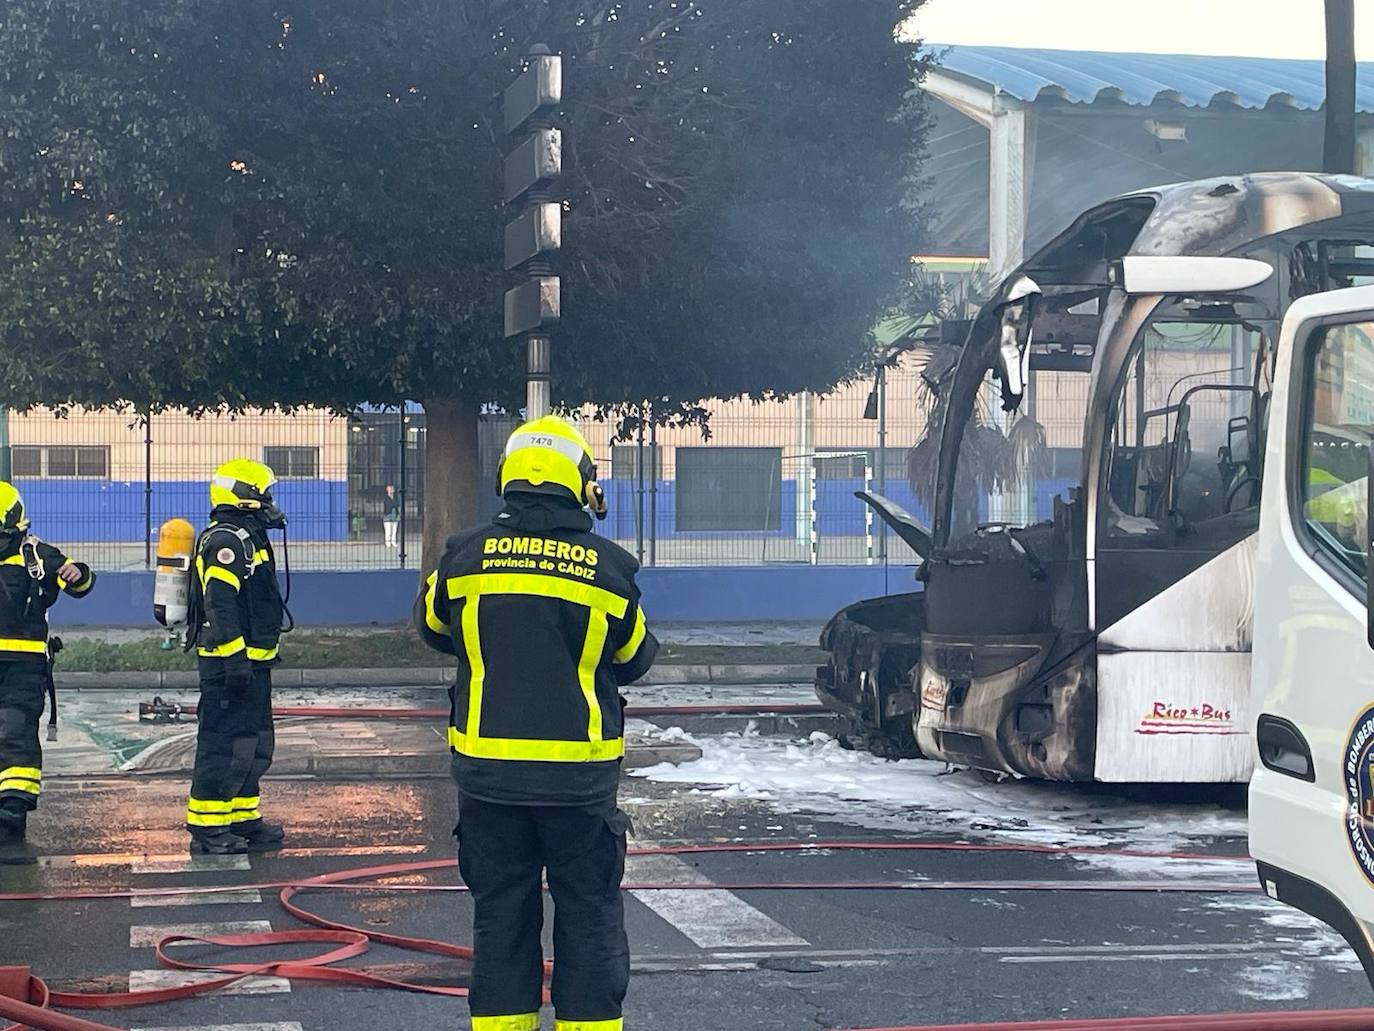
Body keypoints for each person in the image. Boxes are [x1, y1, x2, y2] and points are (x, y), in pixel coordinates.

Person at [416, 415, 658, 1031]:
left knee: (501, 918)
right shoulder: (608, 570)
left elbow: (433, 630)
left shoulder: (463, 558)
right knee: (589, 916)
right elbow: (633, 659)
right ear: (580, 482)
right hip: (578, 784)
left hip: (489, 779)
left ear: (508, 479)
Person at [184, 458, 289, 855]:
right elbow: (220, 605)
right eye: (264, 493)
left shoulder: (247, 536)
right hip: (230, 666)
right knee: (222, 744)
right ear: (246, 496)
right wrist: (235, 659)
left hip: (251, 663)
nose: (270, 501)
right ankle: (208, 829)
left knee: (253, 743)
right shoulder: (227, 541)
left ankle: (243, 819)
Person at [0, 482, 95, 844]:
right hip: (22, 665)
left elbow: (81, 585)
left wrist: (78, 573)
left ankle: (12, 807)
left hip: (23, 667)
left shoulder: (35, 553)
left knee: (15, 731)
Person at [382, 483, 400, 548]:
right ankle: (388, 543)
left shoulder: (396, 498)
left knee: (394, 530)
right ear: (387, 489)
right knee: (388, 530)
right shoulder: (385, 498)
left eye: (392, 488)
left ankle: (393, 542)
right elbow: (389, 506)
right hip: (387, 516)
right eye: (389, 488)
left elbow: (397, 505)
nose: (391, 490)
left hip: (395, 515)